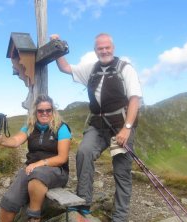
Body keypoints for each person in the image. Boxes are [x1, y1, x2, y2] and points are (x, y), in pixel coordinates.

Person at [51, 33, 142, 221]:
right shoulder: (91, 69)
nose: (104, 51)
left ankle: (120, 216)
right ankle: (84, 202)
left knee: (121, 170)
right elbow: (65, 68)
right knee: (84, 152)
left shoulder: (125, 69)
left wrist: (126, 128)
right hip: (98, 125)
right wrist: (56, 46)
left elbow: (135, 100)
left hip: (120, 125)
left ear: (113, 48)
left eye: (107, 47)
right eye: (100, 48)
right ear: (95, 51)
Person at [0, 95, 71, 222]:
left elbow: (62, 158)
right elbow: (16, 141)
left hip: (57, 171)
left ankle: (34, 217)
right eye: (41, 111)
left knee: (37, 175)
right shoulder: (30, 126)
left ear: (53, 111)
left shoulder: (61, 128)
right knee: (9, 200)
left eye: (48, 110)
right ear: (35, 112)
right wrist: (3, 140)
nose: (44, 113)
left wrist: (39, 163)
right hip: (31, 169)